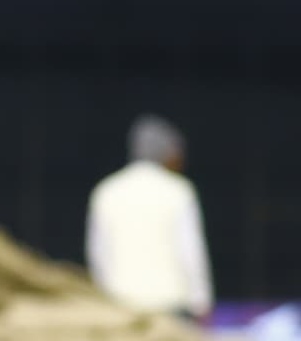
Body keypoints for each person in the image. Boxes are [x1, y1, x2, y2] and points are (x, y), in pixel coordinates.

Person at [86, 115, 212, 317]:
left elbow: (99, 255)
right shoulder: (179, 191)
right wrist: (201, 300)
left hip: (121, 306)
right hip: (171, 308)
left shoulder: (106, 191)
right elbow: (190, 250)